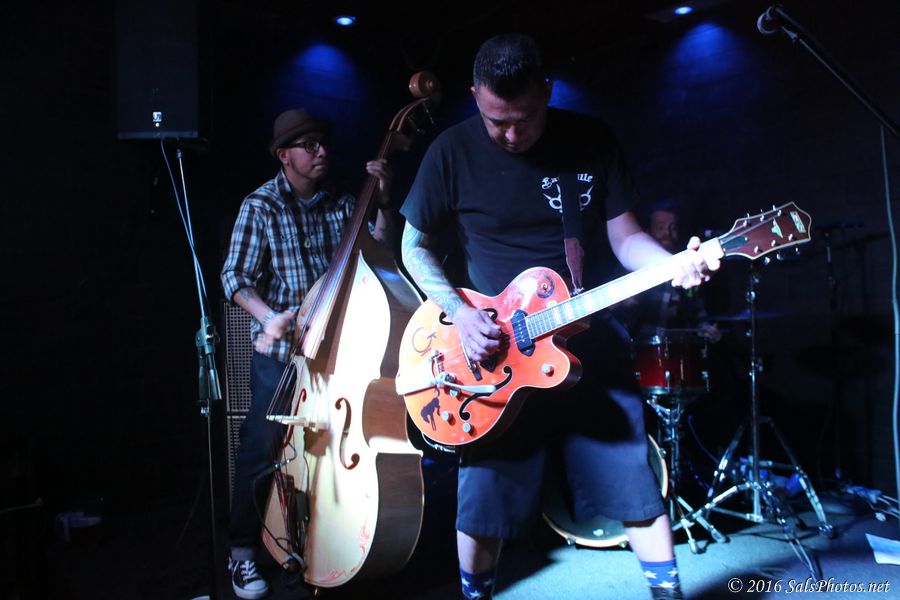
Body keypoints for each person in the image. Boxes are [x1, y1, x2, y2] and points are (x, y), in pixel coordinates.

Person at [399, 34, 719, 600]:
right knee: (483, 501)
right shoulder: (451, 151)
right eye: (496, 121)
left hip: (586, 342)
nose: (511, 134)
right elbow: (413, 246)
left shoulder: (591, 141)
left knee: (634, 482)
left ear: (546, 90)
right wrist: (461, 313)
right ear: (475, 96)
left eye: (524, 118)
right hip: (494, 357)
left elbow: (627, 239)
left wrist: (673, 266)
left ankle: (668, 593)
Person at [220, 108, 394, 599]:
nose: (322, 152)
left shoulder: (343, 204)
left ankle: (325, 540)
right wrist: (267, 315)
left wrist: (383, 200)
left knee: (331, 449)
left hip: (337, 350)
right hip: (284, 351)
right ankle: (242, 552)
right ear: (284, 155)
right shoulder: (260, 206)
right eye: (309, 145)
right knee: (260, 444)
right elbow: (234, 276)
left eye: (323, 143)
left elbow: (381, 251)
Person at [615, 199, 721, 343]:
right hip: (639, 349)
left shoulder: (688, 266)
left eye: (673, 228)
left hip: (678, 348)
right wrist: (626, 305)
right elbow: (616, 319)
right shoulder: (630, 267)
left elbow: (697, 313)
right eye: (660, 227)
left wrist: (706, 328)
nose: (667, 233)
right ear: (647, 231)